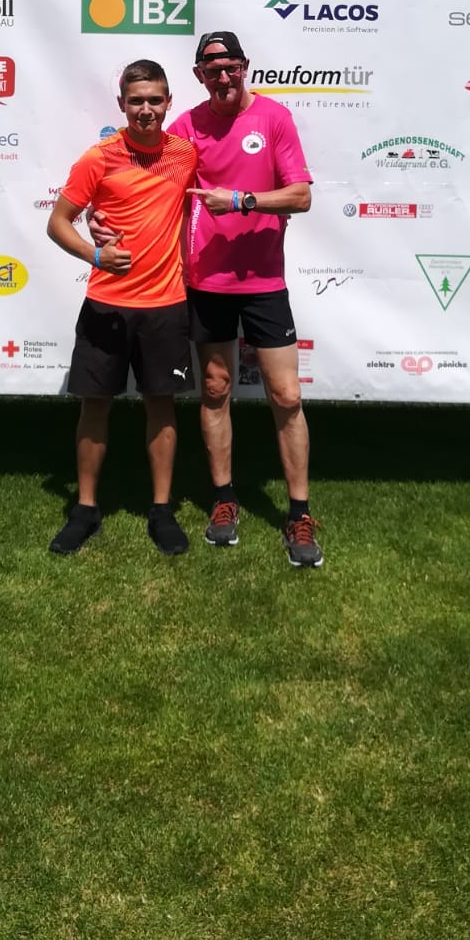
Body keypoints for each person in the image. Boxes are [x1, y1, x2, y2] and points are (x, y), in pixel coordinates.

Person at [93, 30, 322, 567]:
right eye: (212, 70)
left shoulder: (274, 118)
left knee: (286, 395)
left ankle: (299, 512)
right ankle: (223, 500)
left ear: (245, 67)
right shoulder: (186, 127)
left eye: (231, 67)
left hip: (264, 283)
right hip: (205, 282)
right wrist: (99, 218)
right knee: (215, 389)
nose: (223, 77)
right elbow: (140, 178)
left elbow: (301, 195)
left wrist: (241, 200)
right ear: (199, 76)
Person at [46, 60, 198, 557]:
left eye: (155, 100)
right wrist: (95, 254)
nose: (146, 110)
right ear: (122, 105)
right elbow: (58, 222)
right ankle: (85, 509)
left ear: (169, 102)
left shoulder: (186, 154)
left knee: (162, 404)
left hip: (166, 303)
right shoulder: (100, 157)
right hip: (106, 305)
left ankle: (162, 510)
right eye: (136, 101)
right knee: (95, 405)